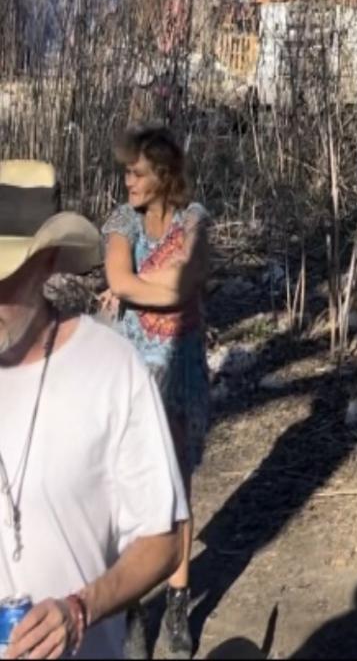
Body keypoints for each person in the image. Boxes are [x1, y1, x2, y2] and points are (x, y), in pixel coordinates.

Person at [0, 160, 188, 660]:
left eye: (4, 277)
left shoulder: (110, 369)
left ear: (47, 263)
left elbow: (163, 539)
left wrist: (79, 609)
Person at [100, 126, 212, 657]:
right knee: (127, 487)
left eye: (138, 173)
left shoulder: (195, 220)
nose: (129, 182)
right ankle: (129, 607)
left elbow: (188, 282)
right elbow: (120, 280)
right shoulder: (121, 221)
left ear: (164, 177)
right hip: (131, 368)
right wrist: (160, 288)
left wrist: (161, 289)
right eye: (127, 172)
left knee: (177, 488)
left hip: (179, 366)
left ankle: (176, 601)